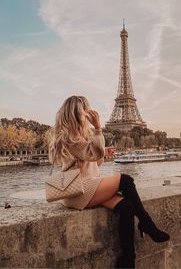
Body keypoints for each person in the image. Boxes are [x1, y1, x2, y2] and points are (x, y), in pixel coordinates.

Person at [48, 95, 170, 269]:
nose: (88, 114)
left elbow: (95, 161)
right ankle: (146, 222)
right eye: (85, 110)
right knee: (126, 180)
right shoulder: (68, 137)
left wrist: (100, 146)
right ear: (77, 113)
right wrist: (98, 128)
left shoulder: (78, 136)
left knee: (127, 207)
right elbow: (95, 155)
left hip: (87, 188)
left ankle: (128, 260)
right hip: (80, 190)